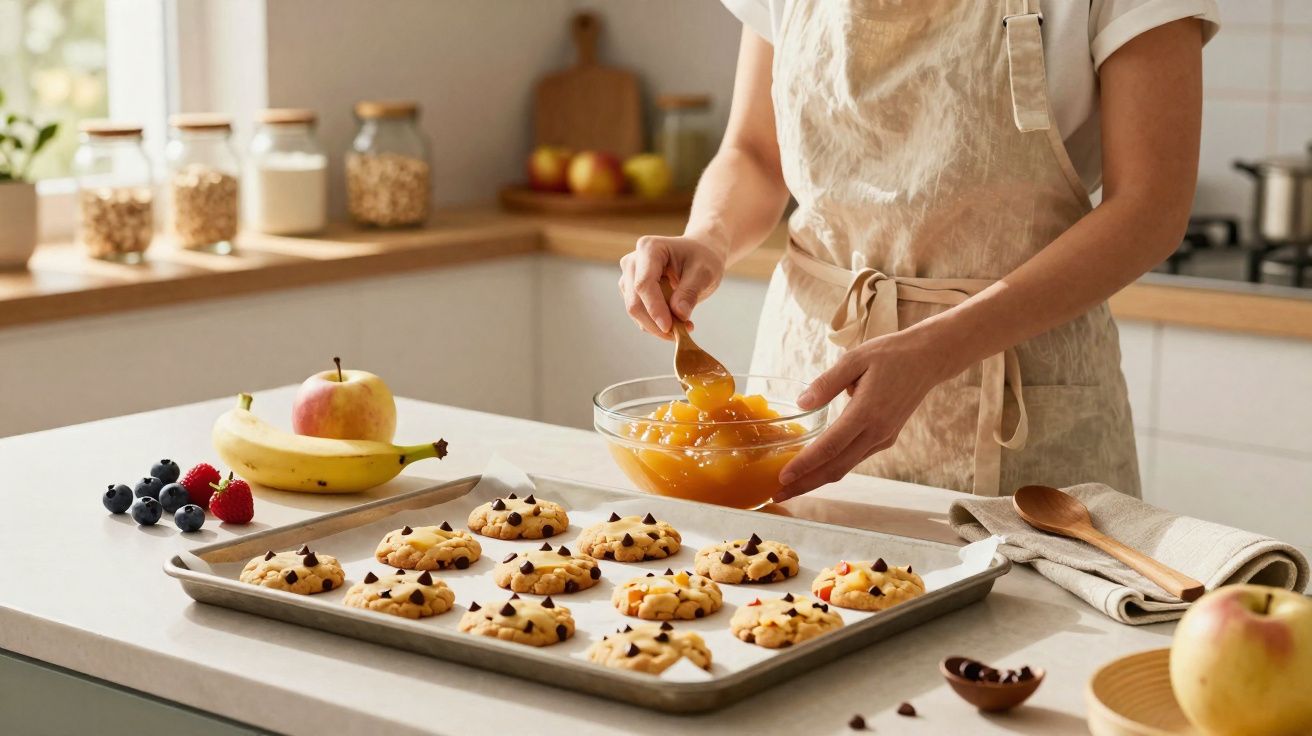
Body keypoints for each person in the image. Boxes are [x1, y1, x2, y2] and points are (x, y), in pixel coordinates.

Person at [618, 0, 1219, 501]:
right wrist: (707, 236)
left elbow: (1151, 210)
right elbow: (754, 152)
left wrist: (939, 348)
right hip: (811, 376)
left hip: (1023, 406)